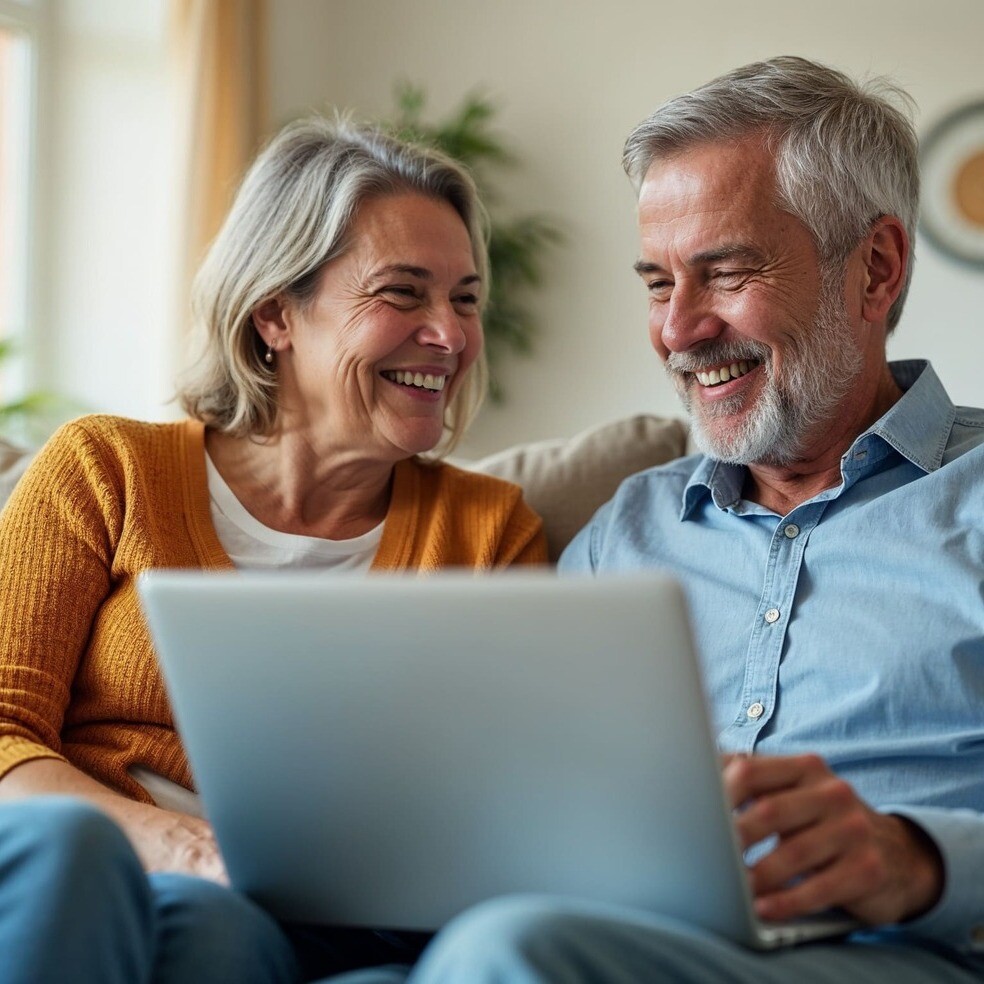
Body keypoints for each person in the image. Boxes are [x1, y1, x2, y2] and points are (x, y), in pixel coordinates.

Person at [304, 57, 984, 983]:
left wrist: (918, 861)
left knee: (507, 955)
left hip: (894, 951)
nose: (678, 329)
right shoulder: (628, 529)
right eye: (659, 284)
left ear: (876, 268)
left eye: (727, 271)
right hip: (623, 940)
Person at [0, 117, 546, 984]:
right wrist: (184, 848)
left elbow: (521, 800)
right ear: (275, 315)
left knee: (224, 935)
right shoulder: (105, 470)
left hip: (343, 923)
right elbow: (2, 734)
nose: (450, 334)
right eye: (403, 293)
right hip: (108, 875)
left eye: (466, 298)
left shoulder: (488, 532)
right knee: (133, 887)